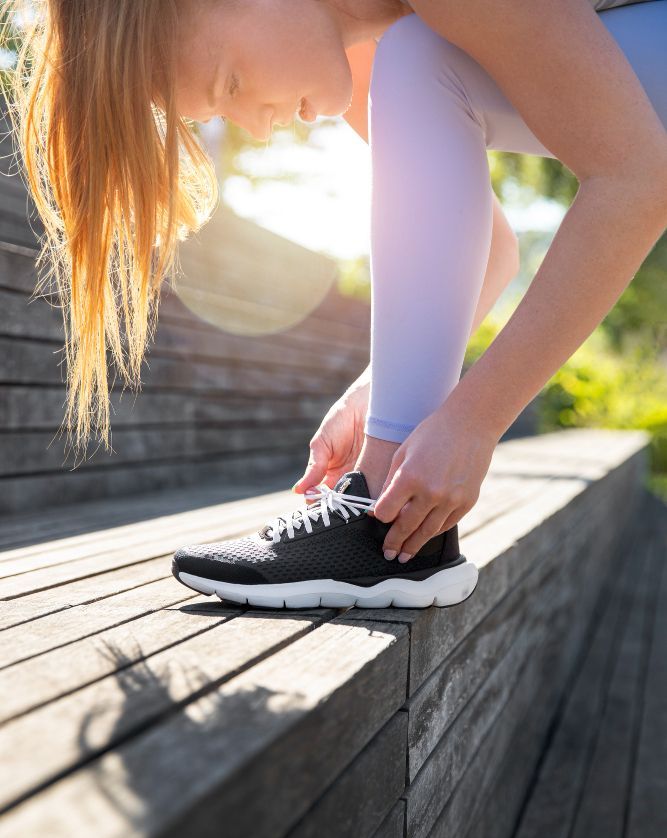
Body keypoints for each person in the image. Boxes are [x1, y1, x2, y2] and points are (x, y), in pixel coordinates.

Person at [2, 0, 665, 609]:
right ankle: (389, 517)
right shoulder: (369, 48)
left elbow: (635, 178)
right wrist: (386, 389)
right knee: (417, 55)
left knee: (420, 54)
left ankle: (380, 521)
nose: (256, 126)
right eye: (221, 114)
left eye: (230, 83)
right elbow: (488, 247)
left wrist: (473, 421)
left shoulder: (412, 42)